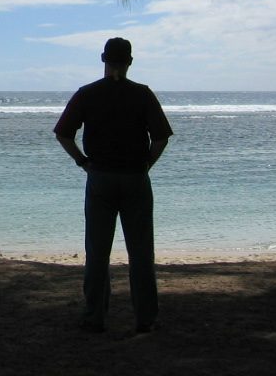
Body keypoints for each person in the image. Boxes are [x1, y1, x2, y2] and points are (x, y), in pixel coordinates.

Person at [54, 37, 173, 334]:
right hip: (135, 177)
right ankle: (146, 318)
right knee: (141, 252)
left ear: (103, 59)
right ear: (130, 62)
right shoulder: (142, 95)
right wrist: (147, 164)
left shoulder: (87, 94)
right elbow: (160, 138)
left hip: (101, 178)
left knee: (97, 251)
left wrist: (82, 162)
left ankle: (95, 316)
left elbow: (63, 134)